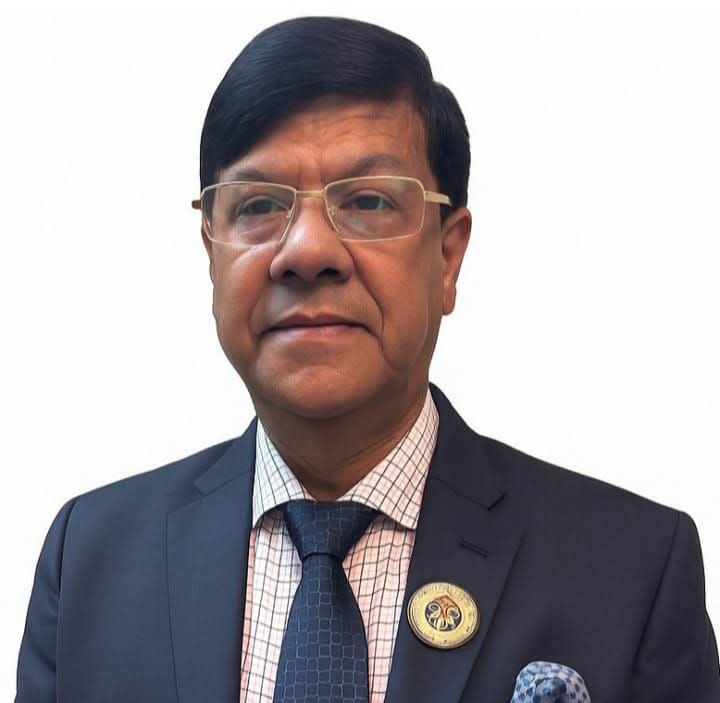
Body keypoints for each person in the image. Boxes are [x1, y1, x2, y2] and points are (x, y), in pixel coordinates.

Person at [14, 15, 720, 703]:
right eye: (258, 205)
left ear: (448, 255)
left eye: (369, 201)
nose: (306, 252)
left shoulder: (631, 570)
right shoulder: (90, 563)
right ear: (211, 253)